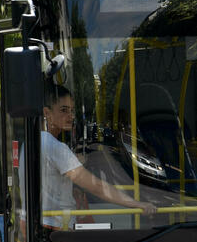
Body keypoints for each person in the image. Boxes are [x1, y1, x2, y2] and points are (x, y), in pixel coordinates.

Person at [42, 85, 155, 229]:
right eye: (64, 110)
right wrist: (137, 204)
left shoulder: (32, 144)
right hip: (58, 228)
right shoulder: (56, 147)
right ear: (47, 113)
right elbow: (97, 187)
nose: (70, 116)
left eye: (72, 110)